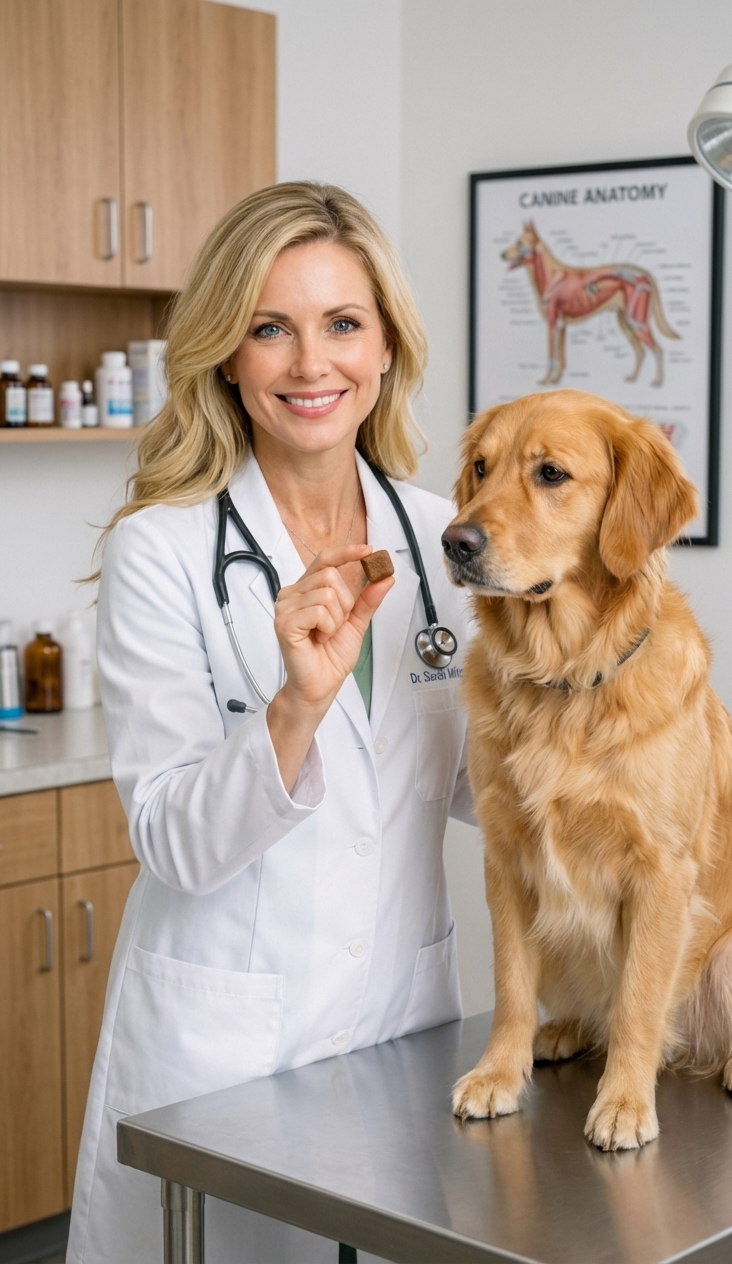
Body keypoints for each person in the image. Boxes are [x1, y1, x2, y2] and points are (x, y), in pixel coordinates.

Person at [66, 183, 474, 1264]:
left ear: (386, 347)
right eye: (270, 328)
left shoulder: (445, 546)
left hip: (399, 1035)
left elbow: (491, 789)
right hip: (222, 1063)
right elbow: (173, 841)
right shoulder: (164, 548)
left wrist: (599, 667)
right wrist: (297, 703)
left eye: (343, 323)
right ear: (226, 355)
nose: (310, 364)